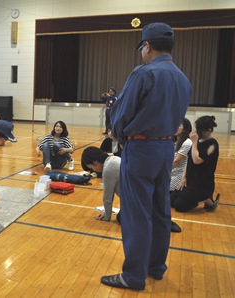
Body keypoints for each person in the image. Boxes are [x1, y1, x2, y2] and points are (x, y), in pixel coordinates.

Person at [103, 23, 192, 290]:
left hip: (141, 149)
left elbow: (120, 116)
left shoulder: (144, 73)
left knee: (136, 213)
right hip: (167, 148)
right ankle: (156, 267)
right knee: (160, 210)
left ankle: (133, 276)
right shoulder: (183, 79)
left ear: (147, 46)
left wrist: (118, 134)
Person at [170, 116, 220, 212]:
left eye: (200, 130)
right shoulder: (197, 141)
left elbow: (197, 160)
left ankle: (206, 199)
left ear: (209, 131)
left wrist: (194, 142)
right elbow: (189, 160)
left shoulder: (212, 144)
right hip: (190, 180)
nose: (197, 131)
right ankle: (204, 200)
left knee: (179, 206)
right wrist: (183, 178)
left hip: (202, 183)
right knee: (171, 201)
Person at [81, 147, 120, 221]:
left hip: (136, 200)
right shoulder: (114, 158)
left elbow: (108, 196)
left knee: (121, 218)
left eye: (91, 167)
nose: (93, 170)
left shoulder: (108, 169)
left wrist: (107, 217)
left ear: (95, 162)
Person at [169, 118, 192, 195]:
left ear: (185, 129)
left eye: (178, 126)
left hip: (179, 175)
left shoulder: (187, 142)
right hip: (171, 172)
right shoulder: (174, 141)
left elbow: (176, 161)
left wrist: (163, 172)